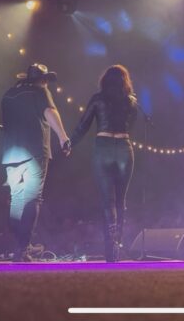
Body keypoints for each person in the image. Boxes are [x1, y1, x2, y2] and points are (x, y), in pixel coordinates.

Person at [1, 63, 71, 261]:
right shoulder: (40, 91)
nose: (47, 83)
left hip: (11, 152)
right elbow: (50, 112)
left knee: (16, 198)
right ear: (42, 80)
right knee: (32, 198)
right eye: (46, 80)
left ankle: (18, 245)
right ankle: (22, 248)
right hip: (34, 150)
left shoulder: (8, 94)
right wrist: (63, 137)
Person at [69, 65, 138, 262]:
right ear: (125, 81)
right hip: (124, 148)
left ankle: (110, 249)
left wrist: (69, 143)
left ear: (105, 80)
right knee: (121, 200)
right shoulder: (131, 101)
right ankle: (117, 245)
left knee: (108, 201)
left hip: (103, 147)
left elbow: (83, 124)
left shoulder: (97, 99)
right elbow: (131, 125)